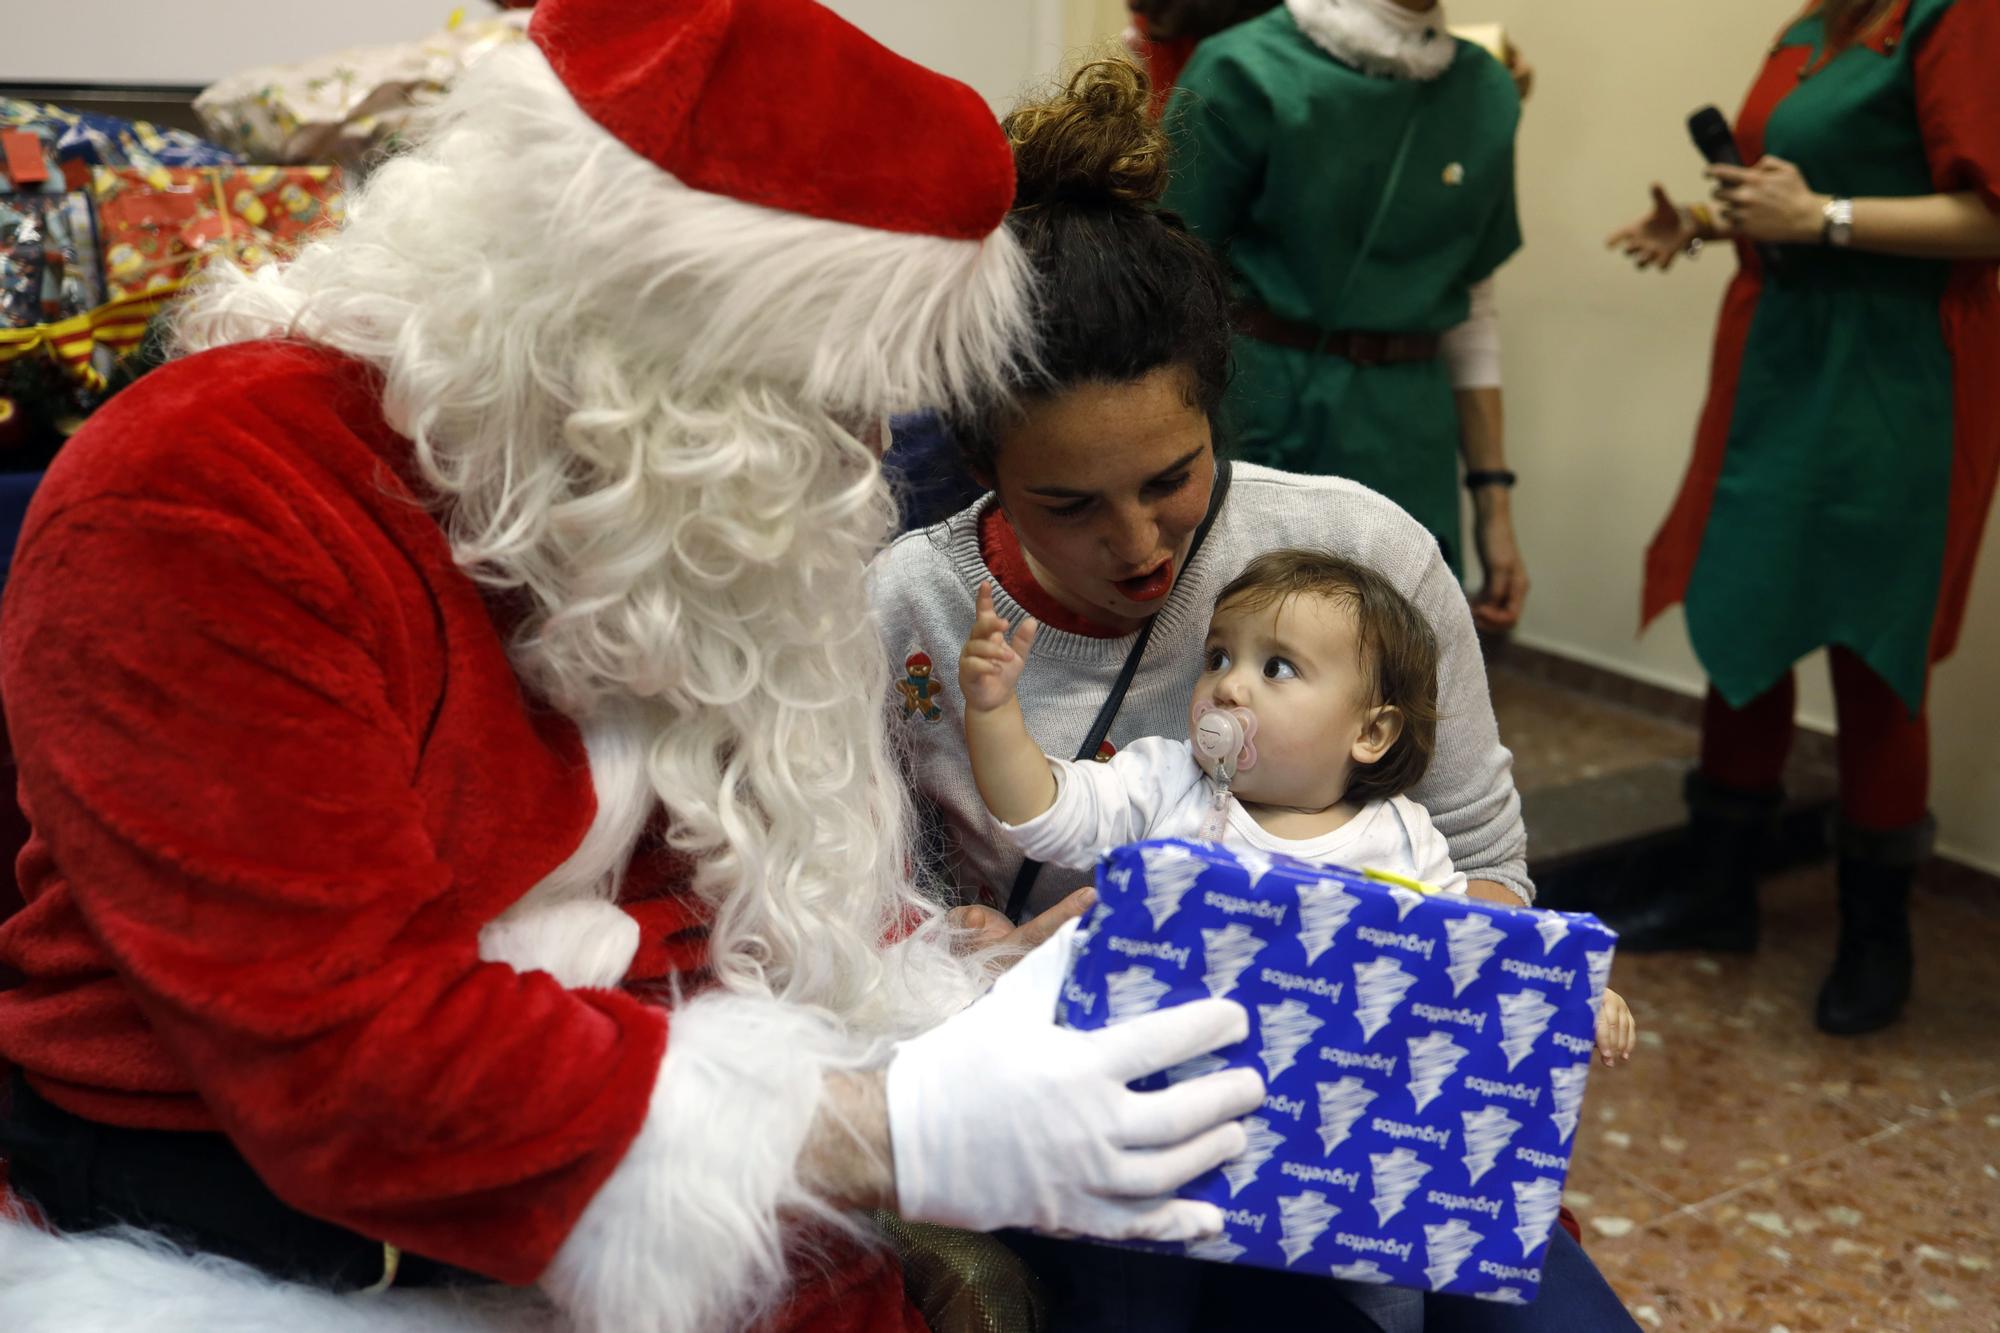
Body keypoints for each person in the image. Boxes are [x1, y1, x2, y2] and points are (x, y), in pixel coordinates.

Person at [0, 4, 1273, 1330]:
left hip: (650, 1190)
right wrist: (895, 1127)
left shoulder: (635, 513)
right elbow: (345, 1061)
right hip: (290, 1242)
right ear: (634, 333)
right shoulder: (204, 494)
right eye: (824, 388)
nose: (862, 447)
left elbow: (712, 878)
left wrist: (973, 983)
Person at [873, 56, 1636, 1333]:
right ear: (981, 467)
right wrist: (983, 957)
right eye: (1068, 505)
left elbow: (1488, 864)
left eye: (1171, 478)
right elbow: (860, 911)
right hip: (1084, 1133)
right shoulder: (909, 610)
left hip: (1366, 1114)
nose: (1137, 545)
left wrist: (1413, 980)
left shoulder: (1363, 553)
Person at [1603, 0, 2000, 1035]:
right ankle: (1716, 888)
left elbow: (1987, 216)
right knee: (1745, 606)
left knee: (1873, 644)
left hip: (1894, 378)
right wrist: (1699, 221)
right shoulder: (1802, 30)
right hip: (1777, 364)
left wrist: (1820, 217)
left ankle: (1876, 936)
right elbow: (1778, 194)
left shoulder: (1954, 18)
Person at [958, 548, 1638, 1068]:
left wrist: (1563, 991)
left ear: (1370, 733)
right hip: (1150, 1076)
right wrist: (993, 711)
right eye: (1219, 656)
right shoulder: (1163, 781)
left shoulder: (1402, 839)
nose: (1228, 686)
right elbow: (1038, 808)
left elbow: (1468, 959)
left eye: (1276, 668)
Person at [1159, 0, 1530, 631]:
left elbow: (1472, 310)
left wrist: (1494, 507)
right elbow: (1162, 286)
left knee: (1395, 679)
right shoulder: (1242, 68)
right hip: (1259, 412)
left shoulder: (1486, 89)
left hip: (1410, 435)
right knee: (1242, 667)